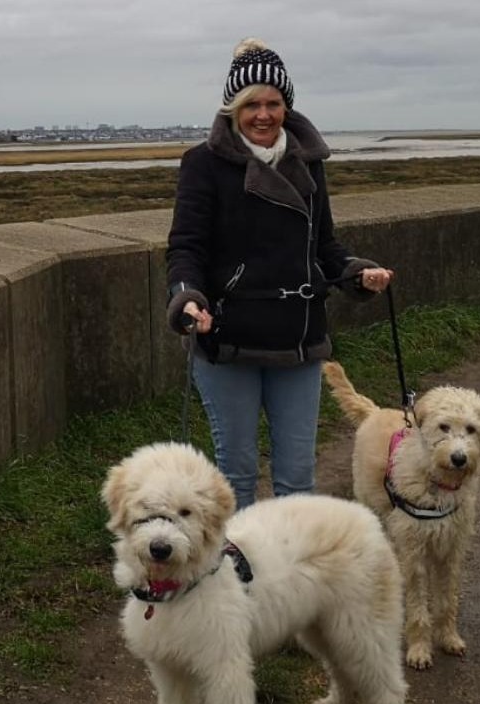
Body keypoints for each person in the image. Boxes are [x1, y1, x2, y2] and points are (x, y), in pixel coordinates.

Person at [166, 37, 394, 509]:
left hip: (298, 338)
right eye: (252, 105)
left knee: (296, 478)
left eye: (273, 103)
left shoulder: (306, 161)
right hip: (228, 339)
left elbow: (325, 245)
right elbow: (186, 247)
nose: (264, 115)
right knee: (237, 475)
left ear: (286, 106)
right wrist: (188, 298)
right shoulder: (203, 164)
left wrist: (356, 273)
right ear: (233, 109)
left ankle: (288, 580)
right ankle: (242, 579)